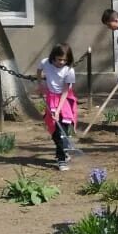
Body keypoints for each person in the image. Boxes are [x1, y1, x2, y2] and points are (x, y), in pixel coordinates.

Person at [37, 43, 78, 171]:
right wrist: (40, 84)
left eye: (65, 60)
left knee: (62, 130)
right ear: (53, 57)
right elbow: (39, 71)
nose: (62, 62)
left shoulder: (69, 70)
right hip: (51, 97)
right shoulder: (45, 63)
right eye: (59, 59)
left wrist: (58, 110)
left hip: (64, 100)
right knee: (54, 130)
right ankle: (63, 150)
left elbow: (66, 91)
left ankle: (61, 160)